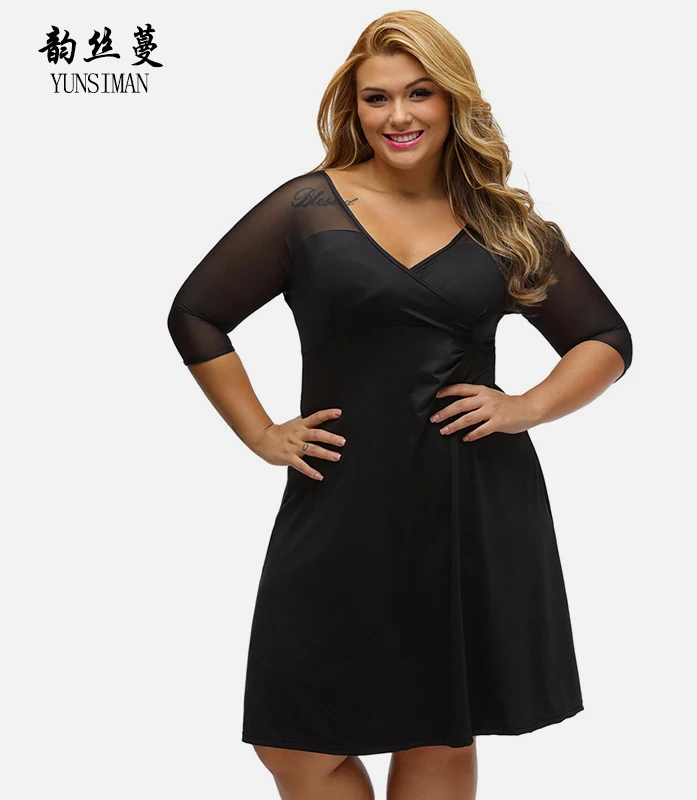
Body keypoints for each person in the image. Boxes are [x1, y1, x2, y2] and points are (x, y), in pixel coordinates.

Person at [167, 10, 632, 800]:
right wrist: (259, 432)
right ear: (353, 108)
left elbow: (604, 337)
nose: (398, 116)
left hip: (469, 497)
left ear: (454, 101)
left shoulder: (503, 223)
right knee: (293, 744)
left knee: (439, 723)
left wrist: (525, 406)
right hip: (339, 497)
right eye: (376, 98)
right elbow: (196, 313)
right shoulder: (306, 207)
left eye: (420, 93)